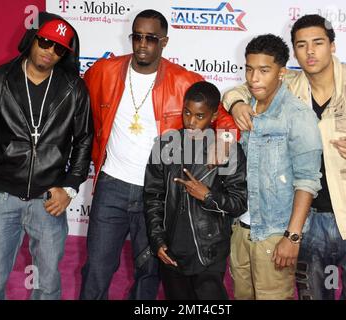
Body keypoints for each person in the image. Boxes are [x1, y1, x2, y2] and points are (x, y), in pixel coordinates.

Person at [223, 15, 346, 300]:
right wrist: (236, 102)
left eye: (318, 43)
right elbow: (247, 86)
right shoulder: (289, 84)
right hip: (306, 219)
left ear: (332, 45)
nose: (310, 52)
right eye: (301, 45)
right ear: (293, 51)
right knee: (313, 295)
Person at [80, 9, 238, 300]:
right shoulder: (104, 72)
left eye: (150, 38)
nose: (142, 44)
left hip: (158, 193)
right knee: (97, 269)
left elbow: (224, 120)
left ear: (164, 41)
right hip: (111, 185)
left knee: (149, 270)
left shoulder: (183, 81)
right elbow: (77, 102)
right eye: (137, 36)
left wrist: (223, 141)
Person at [0, 12, 93, 300]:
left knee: (47, 288)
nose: (50, 52)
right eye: (45, 42)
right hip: (0, 198)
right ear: (32, 39)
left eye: (59, 48)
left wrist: (70, 187)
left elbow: (85, 141)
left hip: (49, 201)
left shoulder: (74, 89)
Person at [226, 34, 322, 300]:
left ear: (281, 73)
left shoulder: (298, 115)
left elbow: (307, 180)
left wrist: (292, 238)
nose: (254, 78)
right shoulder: (245, 107)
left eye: (264, 70)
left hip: (274, 234)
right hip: (240, 230)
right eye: (249, 69)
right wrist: (235, 102)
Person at [143, 81, 247, 300]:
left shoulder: (226, 148)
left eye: (200, 116)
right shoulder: (165, 145)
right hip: (172, 252)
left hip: (209, 253)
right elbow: (153, 196)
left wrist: (207, 196)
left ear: (214, 116)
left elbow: (239, 202)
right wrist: (157, 240)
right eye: (187, 113)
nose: (191, 122)